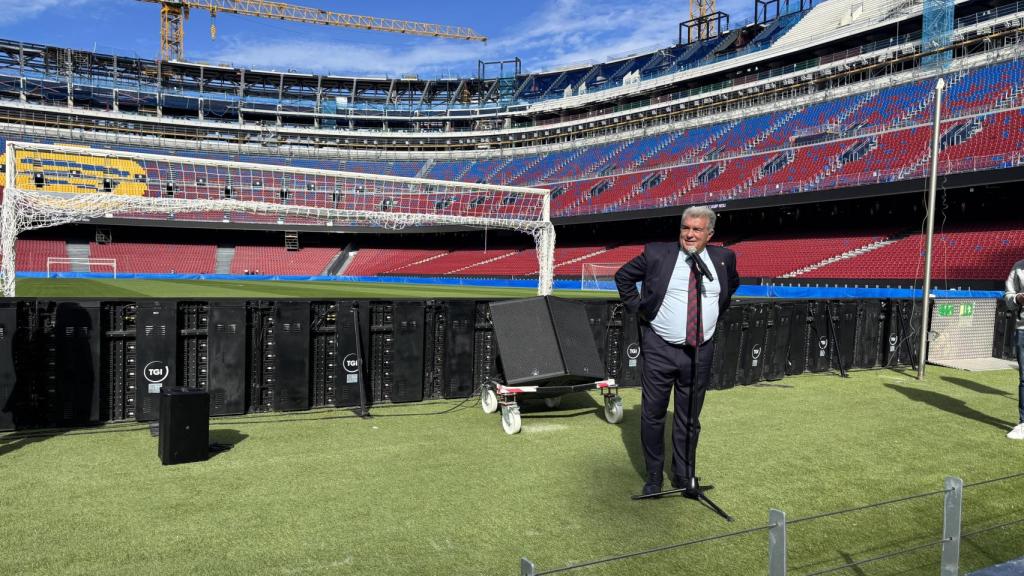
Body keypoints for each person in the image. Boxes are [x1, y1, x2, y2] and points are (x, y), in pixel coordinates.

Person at [615, 206, 739, 496]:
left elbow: (730, 287)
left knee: (689, 419)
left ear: (710, 234)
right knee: (653, 415)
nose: (690, 234)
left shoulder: (724, 258)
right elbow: (623, 276)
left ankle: (683, 476)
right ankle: (654, 477)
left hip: (700, 351)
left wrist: (710, 320)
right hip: (660, 348)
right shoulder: (657, 254)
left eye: (697, 229)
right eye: (686, 228)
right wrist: (639, 309)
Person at [1005, 258, 1024, 440]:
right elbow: (1008, 298)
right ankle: (1023, 423)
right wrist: (1018, 298)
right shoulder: (1018, 267)